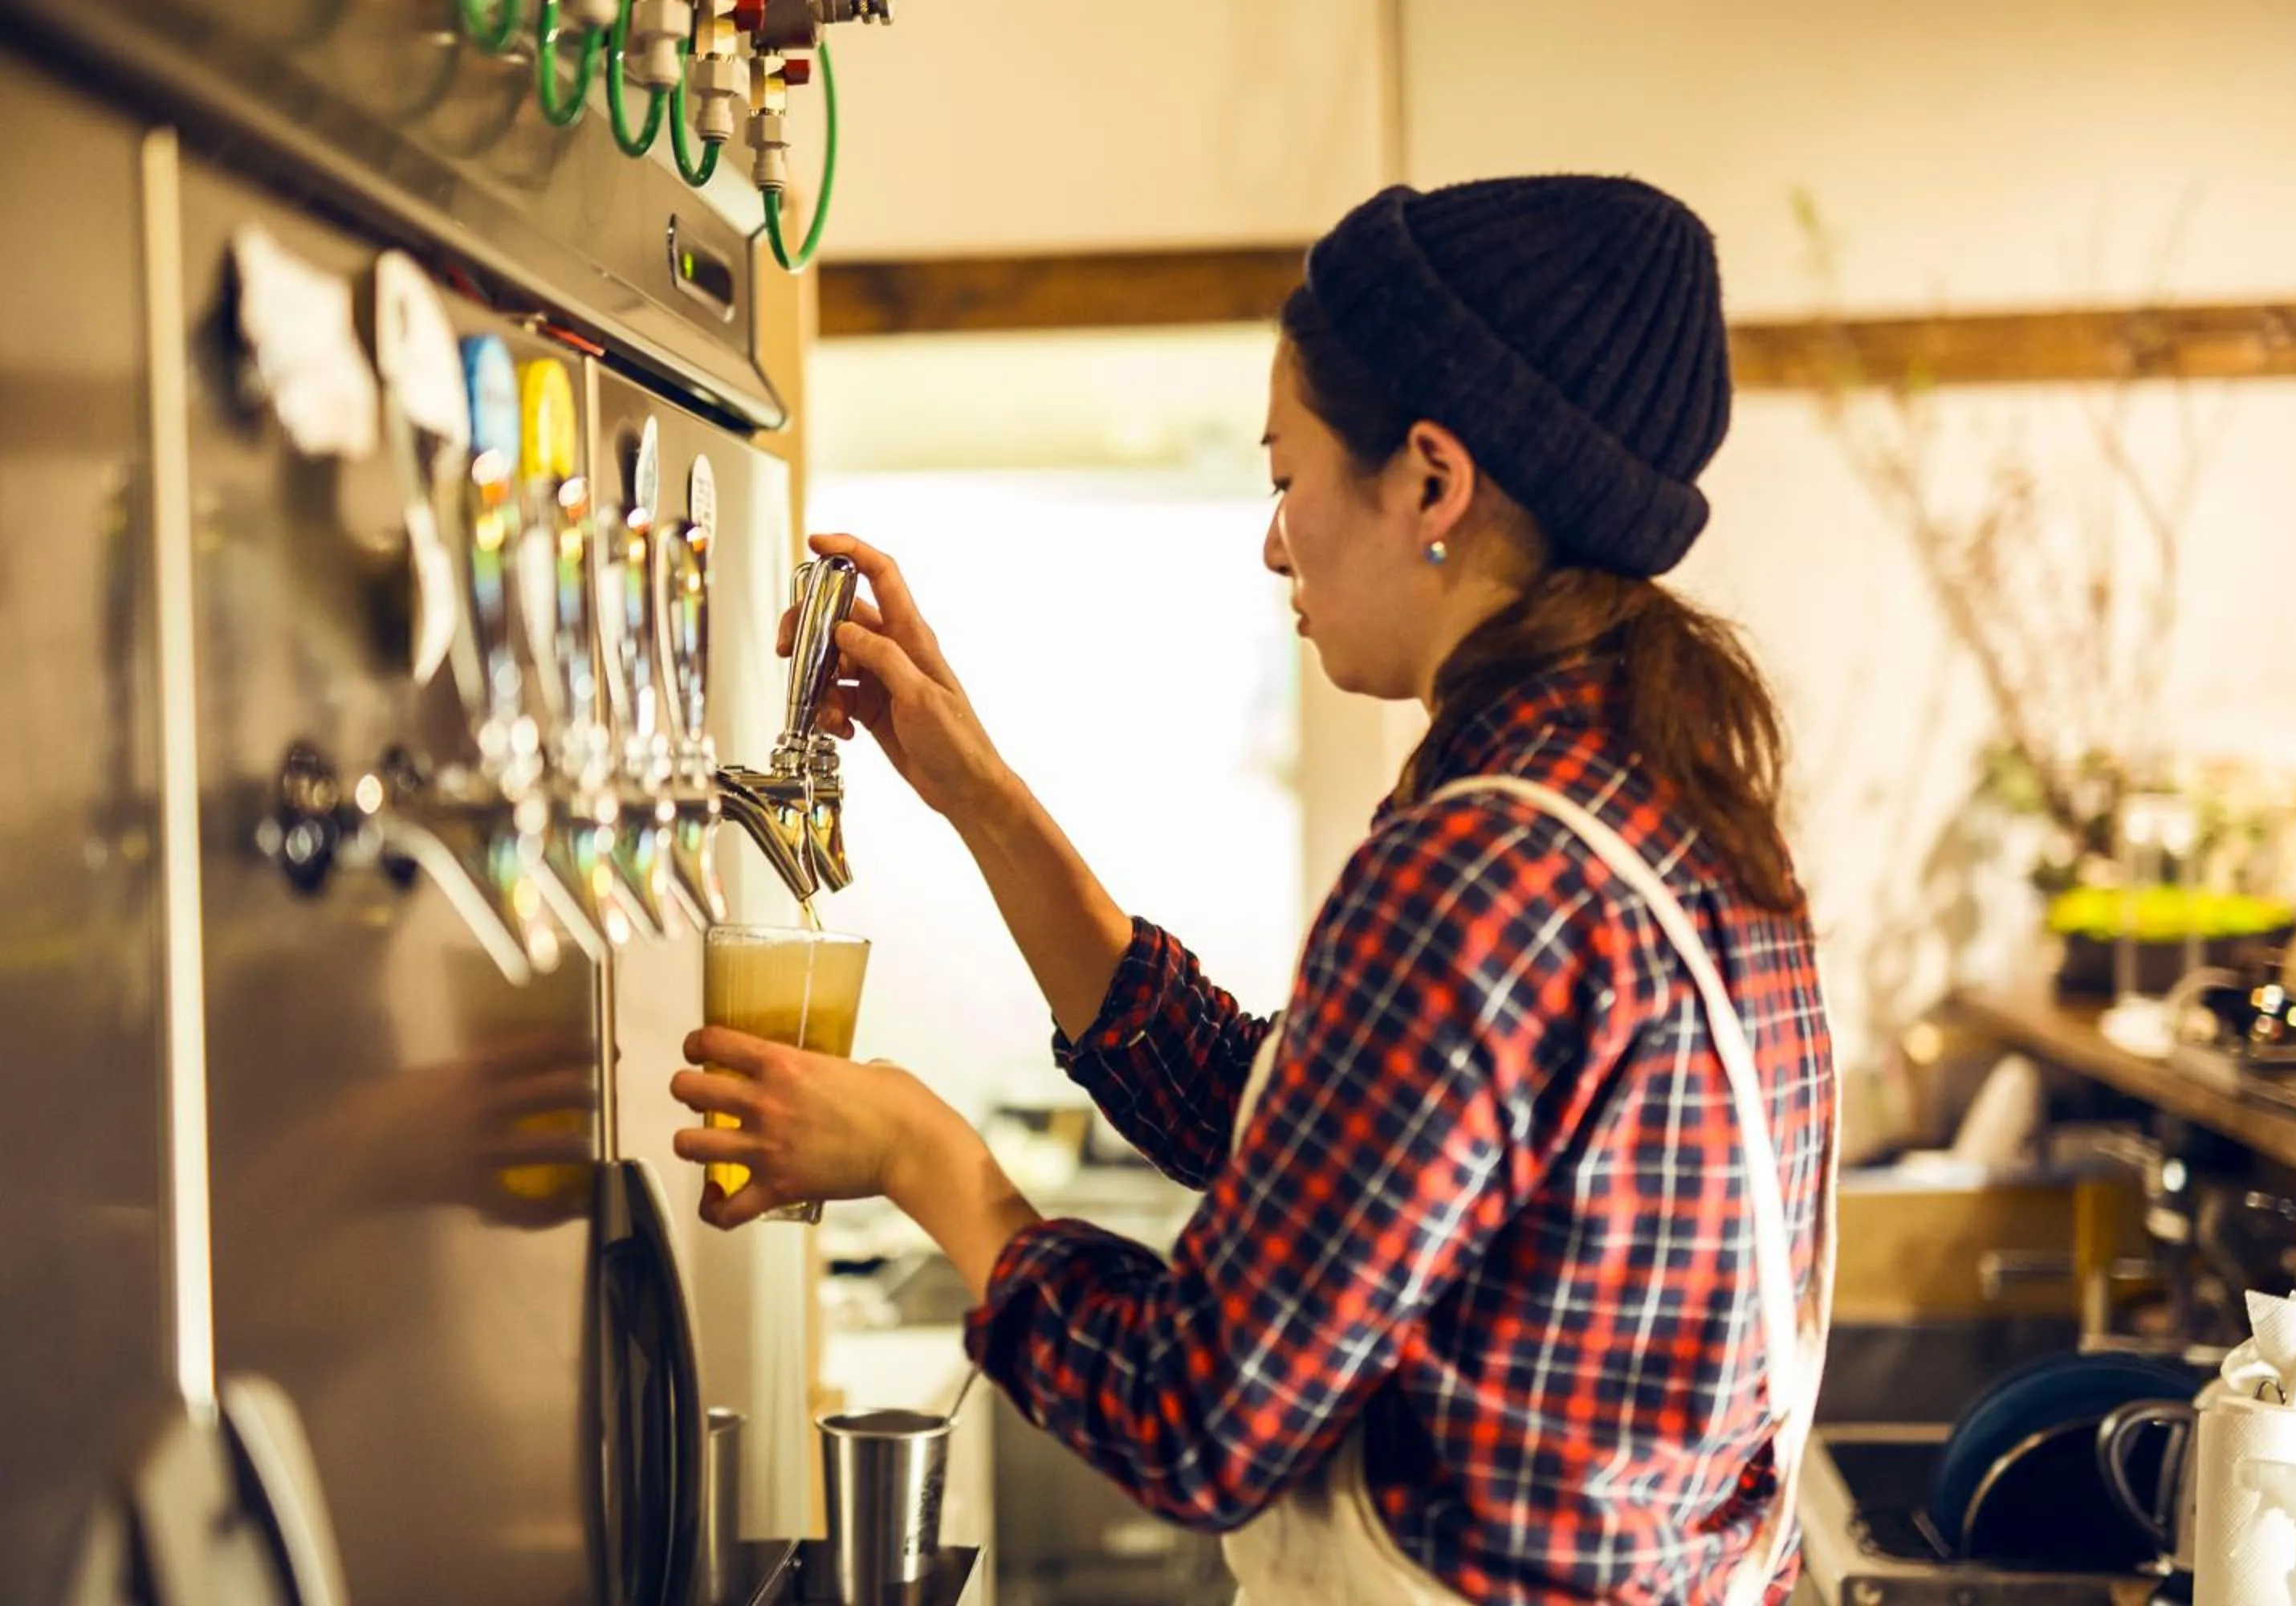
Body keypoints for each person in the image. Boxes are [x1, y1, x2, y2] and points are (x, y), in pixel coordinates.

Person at [669, 174, 1838, 1604]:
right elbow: (1287, 1137)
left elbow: (1201, 1419)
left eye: (1286, 476)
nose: (1273, 539)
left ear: (1431, 480)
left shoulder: (1483, 871)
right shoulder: (1653, 799)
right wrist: (976, 786)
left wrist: (923, 1155)